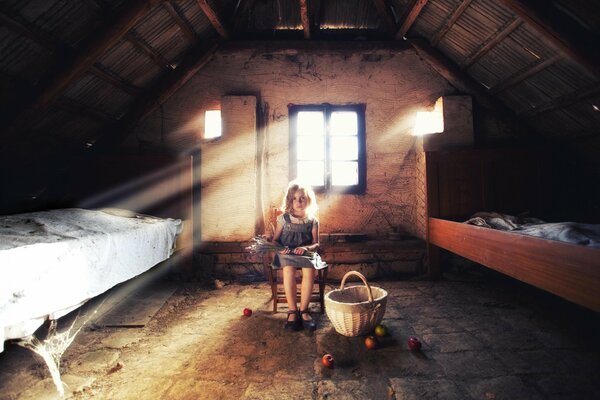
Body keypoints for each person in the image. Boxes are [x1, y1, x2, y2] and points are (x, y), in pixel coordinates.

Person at [271, 180, 326, 331]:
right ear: (290, 200)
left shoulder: (312, 220)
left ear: (308, 199)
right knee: (288, 268)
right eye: (294, 198)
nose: (298, 202)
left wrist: (306, 248)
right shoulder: (283, 219)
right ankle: (292, 311)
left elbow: (316, 243)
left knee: (309, 270)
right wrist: (281, 249)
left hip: (306, 253)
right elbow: (275, 241)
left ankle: (304, 310)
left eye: (302, 198)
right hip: (286, 252)